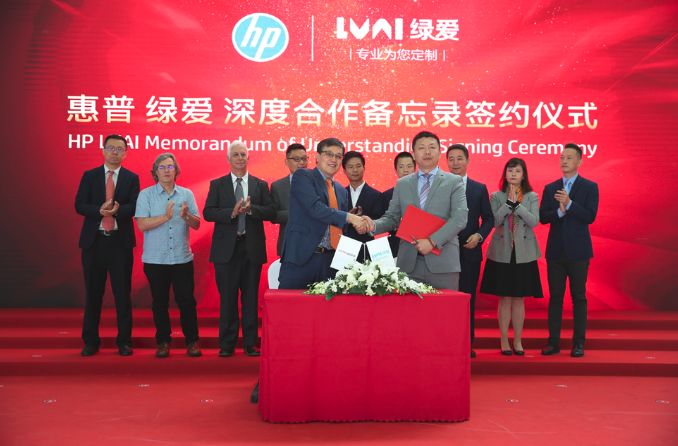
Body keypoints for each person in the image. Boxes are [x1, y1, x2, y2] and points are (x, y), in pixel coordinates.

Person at [364, 130, 468, 290]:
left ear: (439, 152)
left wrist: (432, 242)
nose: (427, 152)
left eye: (432, 147)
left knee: (444, 306)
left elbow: (460, 218)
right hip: (409, 264)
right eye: (421, 148)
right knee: (408, 307)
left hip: (443, 262)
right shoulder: (402, 184)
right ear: (414, 153)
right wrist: (373, 225)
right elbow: (392, 218)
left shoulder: (454, 181)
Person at [204, 141, 274, 357]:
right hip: (226, 250)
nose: (240, 158)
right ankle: (227, 344)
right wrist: (231, 213)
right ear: (228, 158)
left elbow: (271, 211)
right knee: (228, 298)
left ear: (248, 157)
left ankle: (250, 344)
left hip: (251, 248)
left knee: (250, 299)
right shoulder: (218, 184)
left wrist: (252, 209)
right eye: (236, 154)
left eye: (243, 154)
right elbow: (208, 212)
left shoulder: (259, 184)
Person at [75, 134, 139, 357]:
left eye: (119, 149)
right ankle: (91, 341)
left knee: (123, 294)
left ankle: (124, 342)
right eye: (111, 148)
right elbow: (79, 205)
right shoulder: (90, 176)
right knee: (93, 294)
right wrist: (98, 211)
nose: (114, 152)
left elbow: (134, 206)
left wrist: (117, 211)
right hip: (94, 243)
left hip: (120, 244)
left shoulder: (131, 178)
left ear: (125, 153)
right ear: (103, 151)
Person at [135, 154, 202, 358]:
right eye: (162, 167)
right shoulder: (146, 195)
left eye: (170, 167)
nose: (166, 171)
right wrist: (165, 217)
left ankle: (192, 341)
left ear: (176, 171)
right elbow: (142, 224)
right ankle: (163, 342)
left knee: (187, 301)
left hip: (182, 258)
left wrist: (186, 216)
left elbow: (197, 224)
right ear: (155, 171)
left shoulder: (186, 194)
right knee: (159, 302)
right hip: (155, 260)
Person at [277, 137, 367, 289]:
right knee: (290, 303)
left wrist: (357, 223)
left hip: (331, 262)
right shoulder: (303, 176)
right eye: (329, 154)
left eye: (338, 156)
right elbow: (315, 208)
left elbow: (338, 225)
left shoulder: (341, 190)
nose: (334, 159)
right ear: (317, 157)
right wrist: (348, 217)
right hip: (303, 258)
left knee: (328, 305)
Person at [540, 143, 599, 358]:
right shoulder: (551, 187)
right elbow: (543, 217)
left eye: (569, 157)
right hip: (556, 252)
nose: (564, 161)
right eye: (562, 157)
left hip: (579, 252)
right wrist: (560, 211)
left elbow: (590, 216)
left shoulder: (589, 187)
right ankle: (553, 342)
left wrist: (570, 203)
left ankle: (578, 344)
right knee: (555, 297)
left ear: (579, 161)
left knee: (579, 297)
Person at [479, 158, 543, 356]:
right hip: (502, 253)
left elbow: (534, 221)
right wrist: (508, 204)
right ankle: (504, 339)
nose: (513, 174)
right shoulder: (496, 196)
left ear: (523, 175)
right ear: (505, 174)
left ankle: (518, 340)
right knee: (505, 298)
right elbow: (493, 221)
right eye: (510, 171)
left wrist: (518, 206)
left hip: (524, 253)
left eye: (517, 171)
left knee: (519, 299)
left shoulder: (531, 196)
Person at [446, 144, 494, 358]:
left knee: (467, 299)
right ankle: (446, 342)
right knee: (445, 300)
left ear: (467, 161)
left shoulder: (478, 188)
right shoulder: (439, 186)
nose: (455, 163)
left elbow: (489, 218)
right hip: (442, 253)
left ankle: (466, 343)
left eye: (459, 158)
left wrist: (479, 236)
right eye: (451, 159)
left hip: (469, 252)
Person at [342, 151, 385, 261]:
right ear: (344, 171)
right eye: (350, 167)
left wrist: (365, 224)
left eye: (358, 166)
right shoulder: (339, 194)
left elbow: (381, 222)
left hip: (367, 250)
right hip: (343, 251)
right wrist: (348, 218)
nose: (355, 170)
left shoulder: (376, 195)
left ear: (364, 168)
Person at [270, 143, 308, 256]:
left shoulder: (318, 184)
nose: (301, 163)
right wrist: (296, 213)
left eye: (304, 159)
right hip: (288, 245)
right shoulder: (278, 186)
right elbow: (273, 215)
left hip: (315, 246)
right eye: (296, 159)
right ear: (286, 162)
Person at [380, 152, 416, 257]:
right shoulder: (386, 195)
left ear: (415, 168)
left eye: (409, 166)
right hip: (395, 245)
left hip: (419, 244)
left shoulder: (422, 193)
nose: (405, 170)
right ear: (396, 169)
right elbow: (384, 221)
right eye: (401, 167)